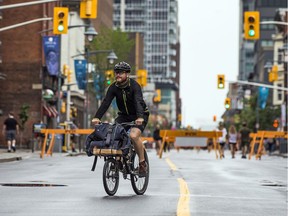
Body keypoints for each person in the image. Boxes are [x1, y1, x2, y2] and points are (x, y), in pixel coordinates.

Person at [91, 61, 150, 177]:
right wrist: (97, 117)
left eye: (121, 73)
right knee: (114, 134)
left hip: (140, 115)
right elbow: (106, 102)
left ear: (127, 74)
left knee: (133, 136)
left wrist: (139, 117)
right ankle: (119, 160)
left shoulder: (135, 86)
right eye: (116, 72)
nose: (117, 75)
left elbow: (138, 102)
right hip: (123, 116)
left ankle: (142, 163)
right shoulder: (113, 87)